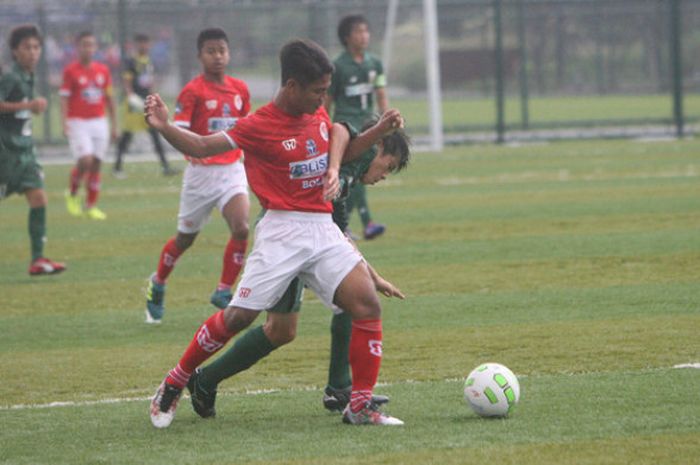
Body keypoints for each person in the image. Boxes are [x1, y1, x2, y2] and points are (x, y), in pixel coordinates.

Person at [145, 38, 405, 428]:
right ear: (291, 87)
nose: (322, 99)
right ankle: (176, 380)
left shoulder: (316, 114)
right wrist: (164, 126)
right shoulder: (258, 125)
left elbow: (344, 149)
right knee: (237, 318)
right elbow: (201, 146)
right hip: (282, 229)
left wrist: (377, 130)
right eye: (317, 91)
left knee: (366, 303)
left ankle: (359, 405)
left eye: (325, 91)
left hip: (321, 227)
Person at [184, 116, 411, 419]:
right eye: (389, 165)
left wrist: (373, 276)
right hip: (285, 241)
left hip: (311, 243)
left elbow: (337, 235)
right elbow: (341, 126)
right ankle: (201, 379)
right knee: (274, 327)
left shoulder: (348, 179)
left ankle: (340, 388)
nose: (385, 175)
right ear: (377, 145)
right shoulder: (345, 159)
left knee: (299, 324)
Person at [144, 28, 250, 324]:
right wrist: (192, 152)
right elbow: (177, 130)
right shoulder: (193, 91)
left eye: (222, 50)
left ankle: (223, 289)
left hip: (231, 170)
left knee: (241, 227)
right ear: (200, 56)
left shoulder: (240, 89)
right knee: (184, 239)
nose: (218, 56)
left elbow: (246, 131)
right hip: (201, 175)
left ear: (228, 53)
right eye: (211, 51)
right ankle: (159, 283)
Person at [0, 24, 66, 276]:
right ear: (15, 51)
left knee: (38, 198)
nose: (33, 52)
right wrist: (28, 104)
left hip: (24, 152)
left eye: (36, 47)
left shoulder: (28, 76)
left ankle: (38, 259)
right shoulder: (11, 76)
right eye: (26, 47)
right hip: (5, 153)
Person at [326, 14, 389, 241]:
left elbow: (381, 94)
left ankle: (348, 226)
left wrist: (385, 121)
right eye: (358, 32)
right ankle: (363, 223)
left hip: (368, 124)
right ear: (346, 37)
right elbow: (328, 100)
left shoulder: (375, 63)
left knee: (358, 172)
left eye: (366, 31)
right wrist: (324, 124)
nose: (364, 36)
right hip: (347, 127)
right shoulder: (338, 66)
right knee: (357, 171)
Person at [60, 31, 117, 220]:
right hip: (78, 122)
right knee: (85, 160)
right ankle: (73, 194)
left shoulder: (103, 70)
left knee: (97, 163)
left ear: (95, 48)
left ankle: (91, 205)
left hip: (99, 121)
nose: (88, 48)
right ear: (78, 47)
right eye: (84, 44)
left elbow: (109, 98)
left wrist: (114, 124)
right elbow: (64, 99)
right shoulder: (70, 71)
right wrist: (64, 123)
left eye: (91, 45)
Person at [113, 33, 177, 178]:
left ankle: (165, 166)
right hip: (134, 105)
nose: (144, 46)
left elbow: (150, 82)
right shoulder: (131, 61)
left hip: (146, 103)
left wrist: (154, 98)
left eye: (146, 43)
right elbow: (127, 82)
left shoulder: (149, 61)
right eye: (141, 43)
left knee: (154, 133)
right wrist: (130, 96)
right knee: (127, 135)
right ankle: (117, 167)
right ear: (136, 45)